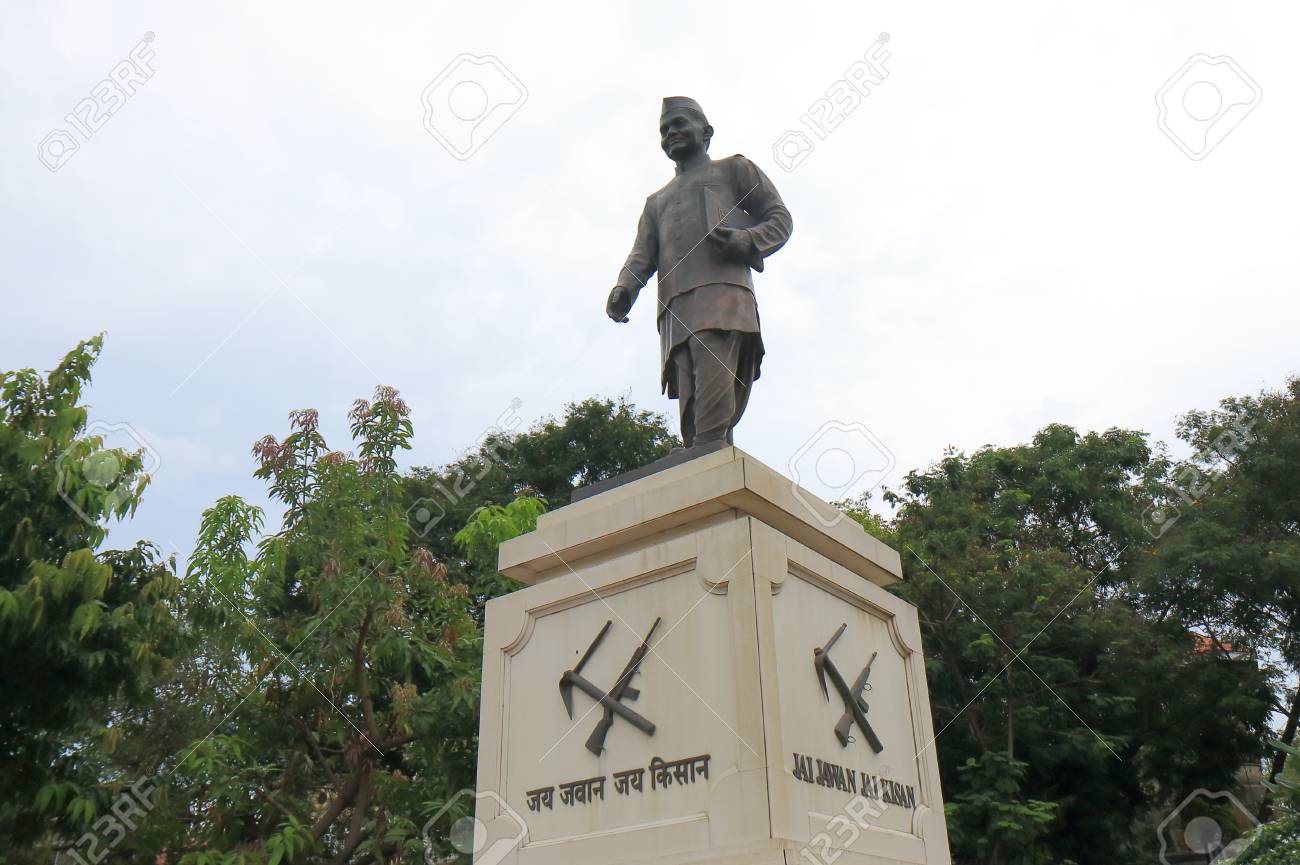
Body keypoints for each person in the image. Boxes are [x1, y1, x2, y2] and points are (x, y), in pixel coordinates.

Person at [606, 96, 793, 448]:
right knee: (692, 395)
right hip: (676, 310)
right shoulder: (656, 202)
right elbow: (642, 254)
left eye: (678, 125)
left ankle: (709, 454)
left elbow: (780, 219)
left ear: (706, 132)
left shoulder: (734, 170)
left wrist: (746, 240)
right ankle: (707, 464)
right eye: (664, 130)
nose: (670, 134)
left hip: (723, 298)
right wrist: (624, 288)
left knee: (714, 381)